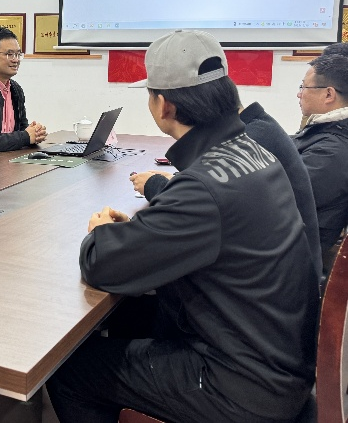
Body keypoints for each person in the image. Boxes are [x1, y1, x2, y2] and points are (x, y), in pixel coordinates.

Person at [47, 30, 319, 423]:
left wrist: (100, 231)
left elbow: (102, 264)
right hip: (279, 360)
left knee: (71, 370)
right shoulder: (254, 153)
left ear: (164, 105)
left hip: (242, 385)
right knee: (128, 318)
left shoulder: (203, 186)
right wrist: (145, 231)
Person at [131, 99, 322, 279]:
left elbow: (198, 210)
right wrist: (175, 182)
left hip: (266, 282)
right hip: (285, 274)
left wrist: (154, 185)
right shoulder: (260, 127)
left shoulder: (249, 141)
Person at [292, 53, 348, 272]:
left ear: (328, 94)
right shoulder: (324, 133)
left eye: (304, 87)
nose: (299, 94)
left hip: (289, 263)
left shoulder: (332, 152)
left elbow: (277, 198)